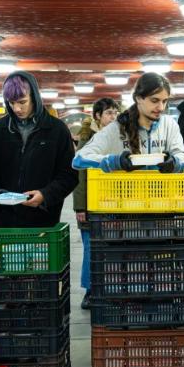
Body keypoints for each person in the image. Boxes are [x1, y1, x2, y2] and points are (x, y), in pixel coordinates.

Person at [0, 71, 78, 228]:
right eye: (11, 103)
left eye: (22, 102)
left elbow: (69, 175)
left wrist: (45, 195)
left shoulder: (57, 130)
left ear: (35, 98)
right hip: (4, 221)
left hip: (44, 221)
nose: (17, 109)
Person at [73, 72, 184, 173]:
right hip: (124, 197)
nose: (161, 107)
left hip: (161, 197)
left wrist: (174, 163)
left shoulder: (169, 125)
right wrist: (116, 162)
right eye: (154, 100)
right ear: (138, 98)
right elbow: (79, 159)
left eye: (164, 101)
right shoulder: (116, 129)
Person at [73, 97, 120, 310]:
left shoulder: (119, 137)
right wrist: (80, 207)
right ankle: (90, 291)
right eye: (109, 113)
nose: (114, 117)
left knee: (109, 249)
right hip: (91, 204)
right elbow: (79, 176)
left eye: (116, 113)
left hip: (112, 203)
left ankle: (107, 289)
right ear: (98, 116)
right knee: (91, 249)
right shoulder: (88, 139)